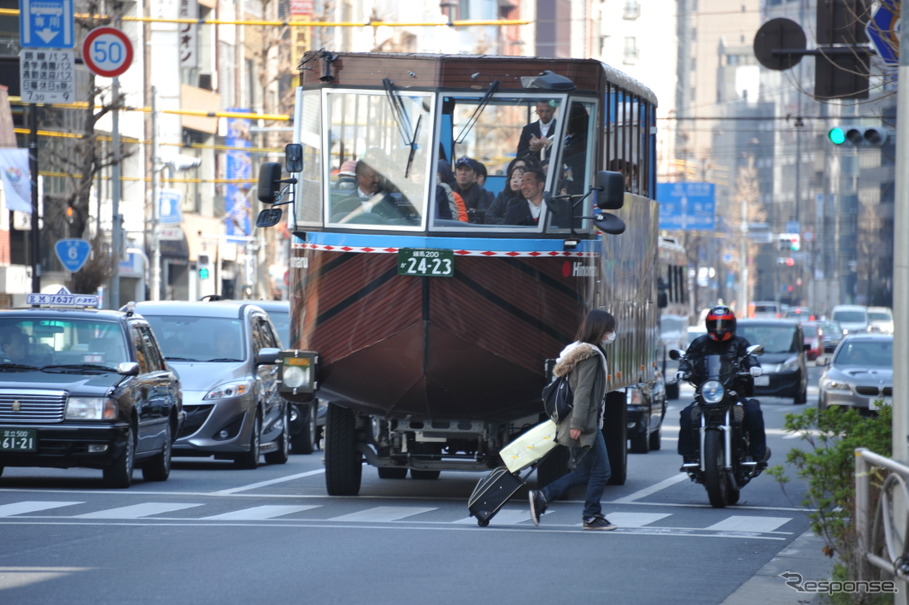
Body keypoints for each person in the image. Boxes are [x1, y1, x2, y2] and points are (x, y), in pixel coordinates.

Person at [528, 309, 618, 531]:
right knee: (602, 471)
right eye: (609, 329)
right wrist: (578, 424)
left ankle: (543, 496)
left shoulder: (577, 351)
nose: (612, 333)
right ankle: (591, 515)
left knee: (586, 471)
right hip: (584, 423)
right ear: (600, 330)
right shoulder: (590, 356)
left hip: (580, 421)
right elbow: (583, 392)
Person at [676, 305, 770, 466]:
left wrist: (754, 366)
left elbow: (749, 357)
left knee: (753, 413)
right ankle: (689, 457)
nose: (719, 329)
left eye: (724, 324)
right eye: (715, 324)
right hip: (708, 393)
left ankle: (757, 454)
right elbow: (687, 359)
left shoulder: (740, 343)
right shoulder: (699, 343)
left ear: (731, 324)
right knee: (686, 415)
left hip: (733, 392)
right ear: (708, 325)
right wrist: (682, 371)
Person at [331, 159, 407, 223]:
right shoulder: (344, 203)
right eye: (373, 176)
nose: (377, 180)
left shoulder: (389, 202)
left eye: (379, 176)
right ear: (360, 178)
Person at [499, 168, 570, 228]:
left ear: (540, 185)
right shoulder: (514, 210)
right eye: (522, 183)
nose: (524, 187)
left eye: (528, 181)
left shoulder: (559, 206)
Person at [485, 158, 530, 224]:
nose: (515, 180)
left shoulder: (530, 199)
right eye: (513, 177)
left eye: (520, 177)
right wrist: (507, 223)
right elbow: (489, 217)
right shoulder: (502, 196)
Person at [451, 156, 492, 223]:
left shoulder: (480, 192)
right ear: (455, 174)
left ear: (474, 175)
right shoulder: (448, 189)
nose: (463, 173)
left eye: (467, 170)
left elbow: (482, 216)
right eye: (460, 169)